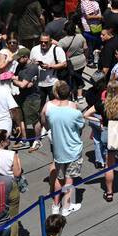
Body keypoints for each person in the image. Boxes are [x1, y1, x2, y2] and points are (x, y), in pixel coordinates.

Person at [42, 81, 84, 216]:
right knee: (69, 179)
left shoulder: (51, 112)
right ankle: (66, 207)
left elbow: (45, 121)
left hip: (59, 151)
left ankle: (55, 205)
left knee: (59, 179)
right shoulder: (75, 112)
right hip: (73, 150)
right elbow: (81, 126)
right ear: (70, 93)